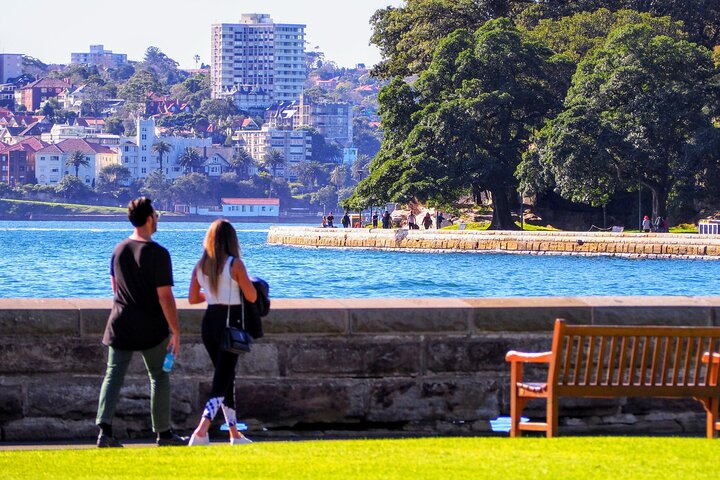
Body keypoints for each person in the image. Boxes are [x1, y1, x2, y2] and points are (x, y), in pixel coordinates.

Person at [95, 197, 188, 448]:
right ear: (149, 219)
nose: (157, 219)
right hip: (151, 326)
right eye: (156, 215)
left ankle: (104, 431)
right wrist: (176, 331)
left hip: (121, 322)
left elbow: (115, 289)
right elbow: (165, 296)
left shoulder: (119, 250)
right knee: (159, 376)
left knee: (113, 375)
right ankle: (164, 433)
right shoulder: (158, 253)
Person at [187, 219, 258, 446]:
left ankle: (234, 433)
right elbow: (251, 296)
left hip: (209, 323)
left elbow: (192, 298)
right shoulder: (235, 265)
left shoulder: (201, 266)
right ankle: (202, 428)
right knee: (222, 379)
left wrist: (212, 293)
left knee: (227, 377)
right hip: (231, 323)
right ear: (231, 239)